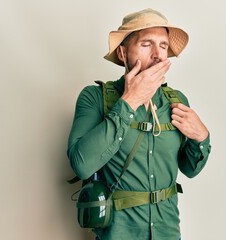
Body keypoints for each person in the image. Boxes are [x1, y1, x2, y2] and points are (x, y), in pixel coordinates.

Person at [67, 8, 211, 240]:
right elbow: (81, 164)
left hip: (168, 232)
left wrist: (202, 138)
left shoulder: (176, 101)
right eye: (146, 44)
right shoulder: (94, 97)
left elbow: (190, 169)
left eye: (163, 46)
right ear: (123, 53)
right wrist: (130, 101)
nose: (158, 54)